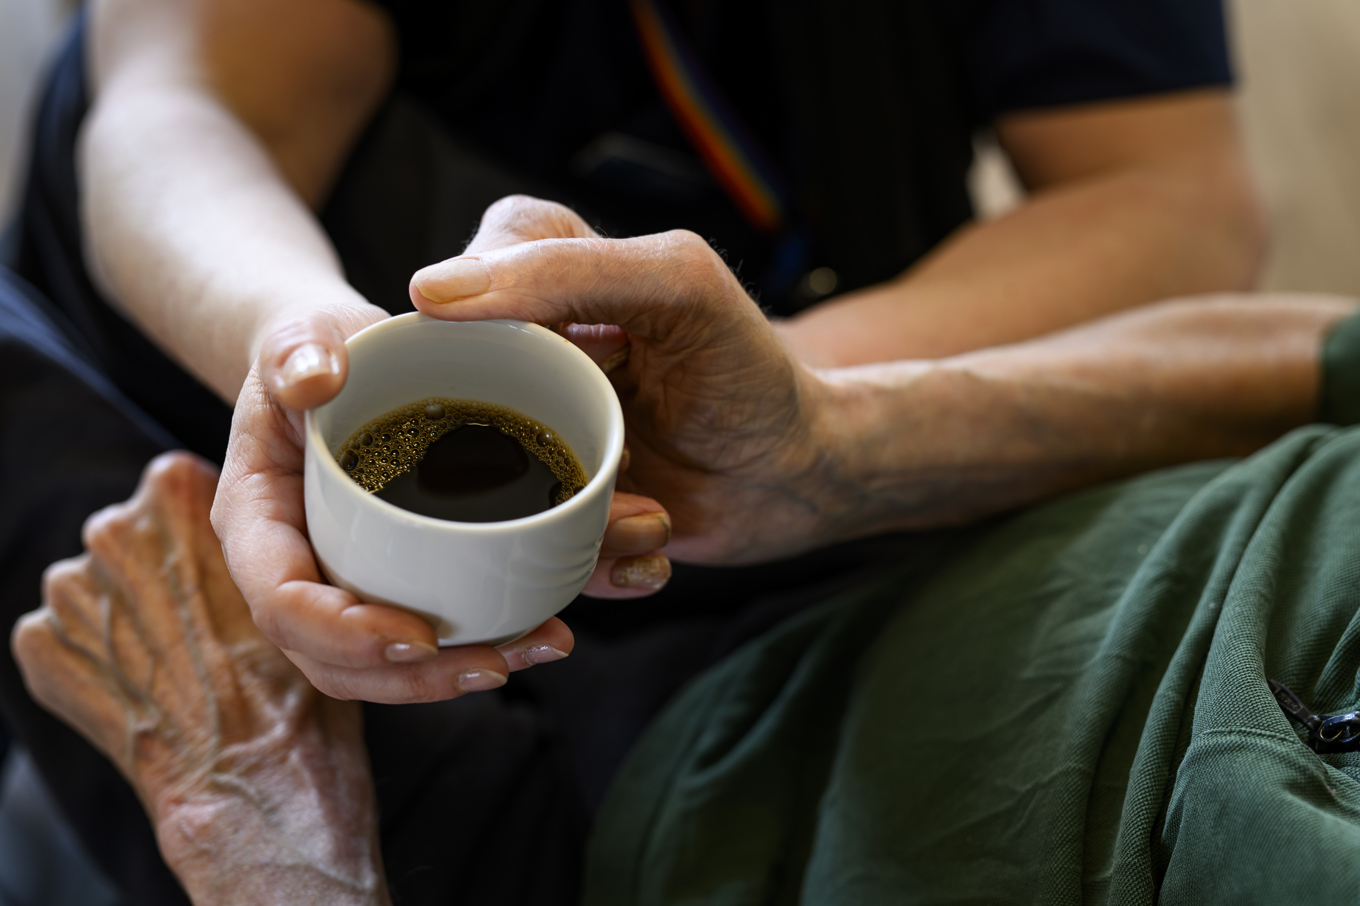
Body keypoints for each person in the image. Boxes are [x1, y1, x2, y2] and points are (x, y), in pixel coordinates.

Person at [13, 218, 1360, 904]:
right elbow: (1318, 355)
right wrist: (840, 449)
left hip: (620, 854)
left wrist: (258, 840)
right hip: (855, 560)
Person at [3, 0, 1264, 707]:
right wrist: (295, 348)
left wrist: (786, 402)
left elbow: (1173, 197)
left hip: (815, 363)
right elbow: (191, 105)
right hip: (274, 313)